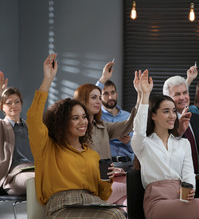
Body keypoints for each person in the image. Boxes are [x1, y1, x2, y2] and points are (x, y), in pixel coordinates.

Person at [27, 53, 125, 219]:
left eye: (84, 116)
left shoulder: (92, 155)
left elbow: (102, 195)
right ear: (63, 122)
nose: (83, 122)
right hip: (61, 208)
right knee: (114, 215)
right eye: (75, 118)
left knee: (120, 214)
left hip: (92, 203)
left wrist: (106, 180)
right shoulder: (48, 148)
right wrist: (47, 80)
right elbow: (34, 119)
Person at [131, 69, 199, 219]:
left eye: (173, 111)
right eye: (166, 111)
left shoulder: (183, 143)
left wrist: (190, 188)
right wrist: (145, 95)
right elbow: (139, 128)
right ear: (153, 115)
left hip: (181, 197)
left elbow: (188, 174)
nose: (172, 115)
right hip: (157, 201)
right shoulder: (143, 143)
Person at [73, 62, 140, 207]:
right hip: (89, 186)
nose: (99, 101)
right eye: (94, 98)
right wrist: (103, 79)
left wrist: (142, 94)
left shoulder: (102, 126)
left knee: (128, 205)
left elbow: (129, 123)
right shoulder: (75, 128)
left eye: (99, 97)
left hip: (109, 178)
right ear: (83, 101)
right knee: (137, 186)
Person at [163, 75, 199, 203]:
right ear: (167, 98)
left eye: (185, 92)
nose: (183, 97)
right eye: (177, 94)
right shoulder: (164, 122)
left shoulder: (197, 119)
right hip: (178, 184)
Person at [0, 71, 34, 195]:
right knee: (36, 181)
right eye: (8, 103)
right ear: (2, 108)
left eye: (16, 102)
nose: (13, 106)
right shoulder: (0, 126)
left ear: (21, 104)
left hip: (34, 168)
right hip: (13, 176)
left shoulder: (29, 126)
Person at [99, 79, 134, 170]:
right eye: (106, 94)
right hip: (106, 165)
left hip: (128, 164)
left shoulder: (128, 116)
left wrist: (128, 142)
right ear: (99, 97)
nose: (110, 97)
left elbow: (137, 146)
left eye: (113, 92)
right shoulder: (97, 117)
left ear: (116, 94)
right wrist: (112, 134)